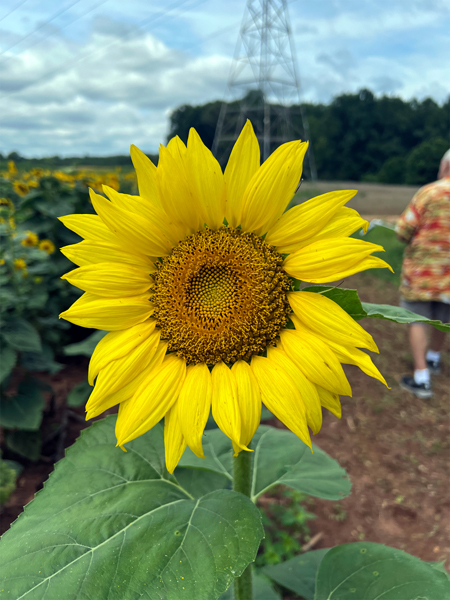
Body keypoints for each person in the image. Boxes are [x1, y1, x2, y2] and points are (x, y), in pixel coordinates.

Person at [395, 149, 450, 398]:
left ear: (445, 167)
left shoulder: (429, 192)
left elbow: (403, 230)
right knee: (443, 317)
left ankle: (421, 377)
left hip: (421, 273)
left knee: (415, 318)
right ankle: (434, 358)